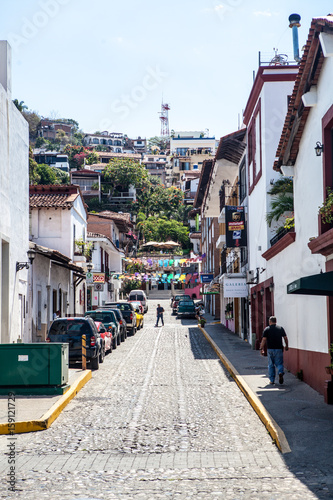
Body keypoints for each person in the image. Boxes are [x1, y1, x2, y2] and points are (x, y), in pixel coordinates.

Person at [260, 316, 288, 385]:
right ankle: (280, 372)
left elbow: (264, 340)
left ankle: (272, 380)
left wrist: (261, 348)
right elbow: (285, 338)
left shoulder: (267, 329)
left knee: (271, 365)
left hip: (270, 349)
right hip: (279, 349)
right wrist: (287, 346)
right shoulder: (280, 328)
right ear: (276, 321)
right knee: (279, 363)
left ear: (270, 321)